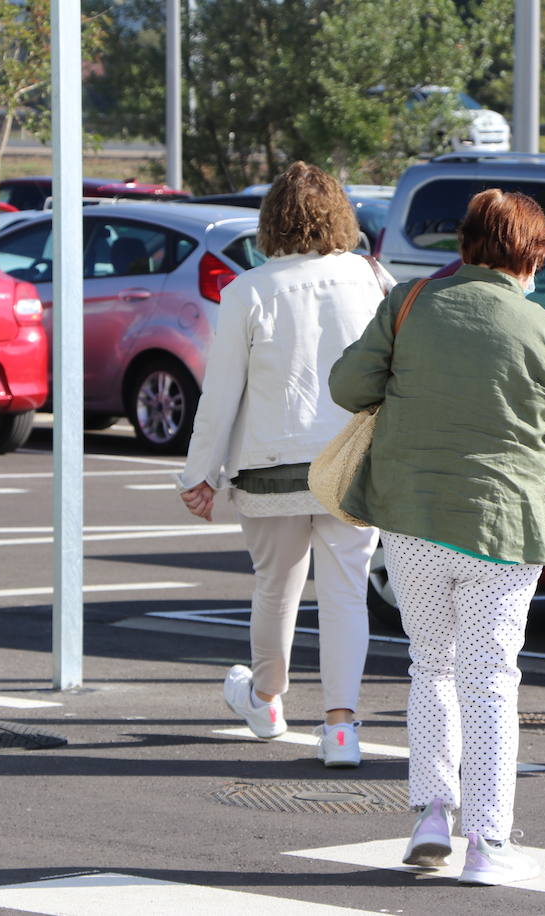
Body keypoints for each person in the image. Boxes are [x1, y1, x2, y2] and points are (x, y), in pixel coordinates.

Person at [329, 189, 545, 885]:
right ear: (532, 255)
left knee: (429, 666)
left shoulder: (408, 304)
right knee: (490, 682)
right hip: (505, 525)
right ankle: (487, 843)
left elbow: (347, 385)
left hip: (413, 517)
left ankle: (431, 814)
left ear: (464, 244)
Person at [178, 161, 389, 769]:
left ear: (271, 221)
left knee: (277, 588)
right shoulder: (372, 278)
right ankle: (341, 728)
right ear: (339, 217)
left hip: (270, 466)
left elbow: (220, 395)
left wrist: (199, 475)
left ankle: (267, 699)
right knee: (347, 594)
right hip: (351, 463)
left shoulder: (247, 291)